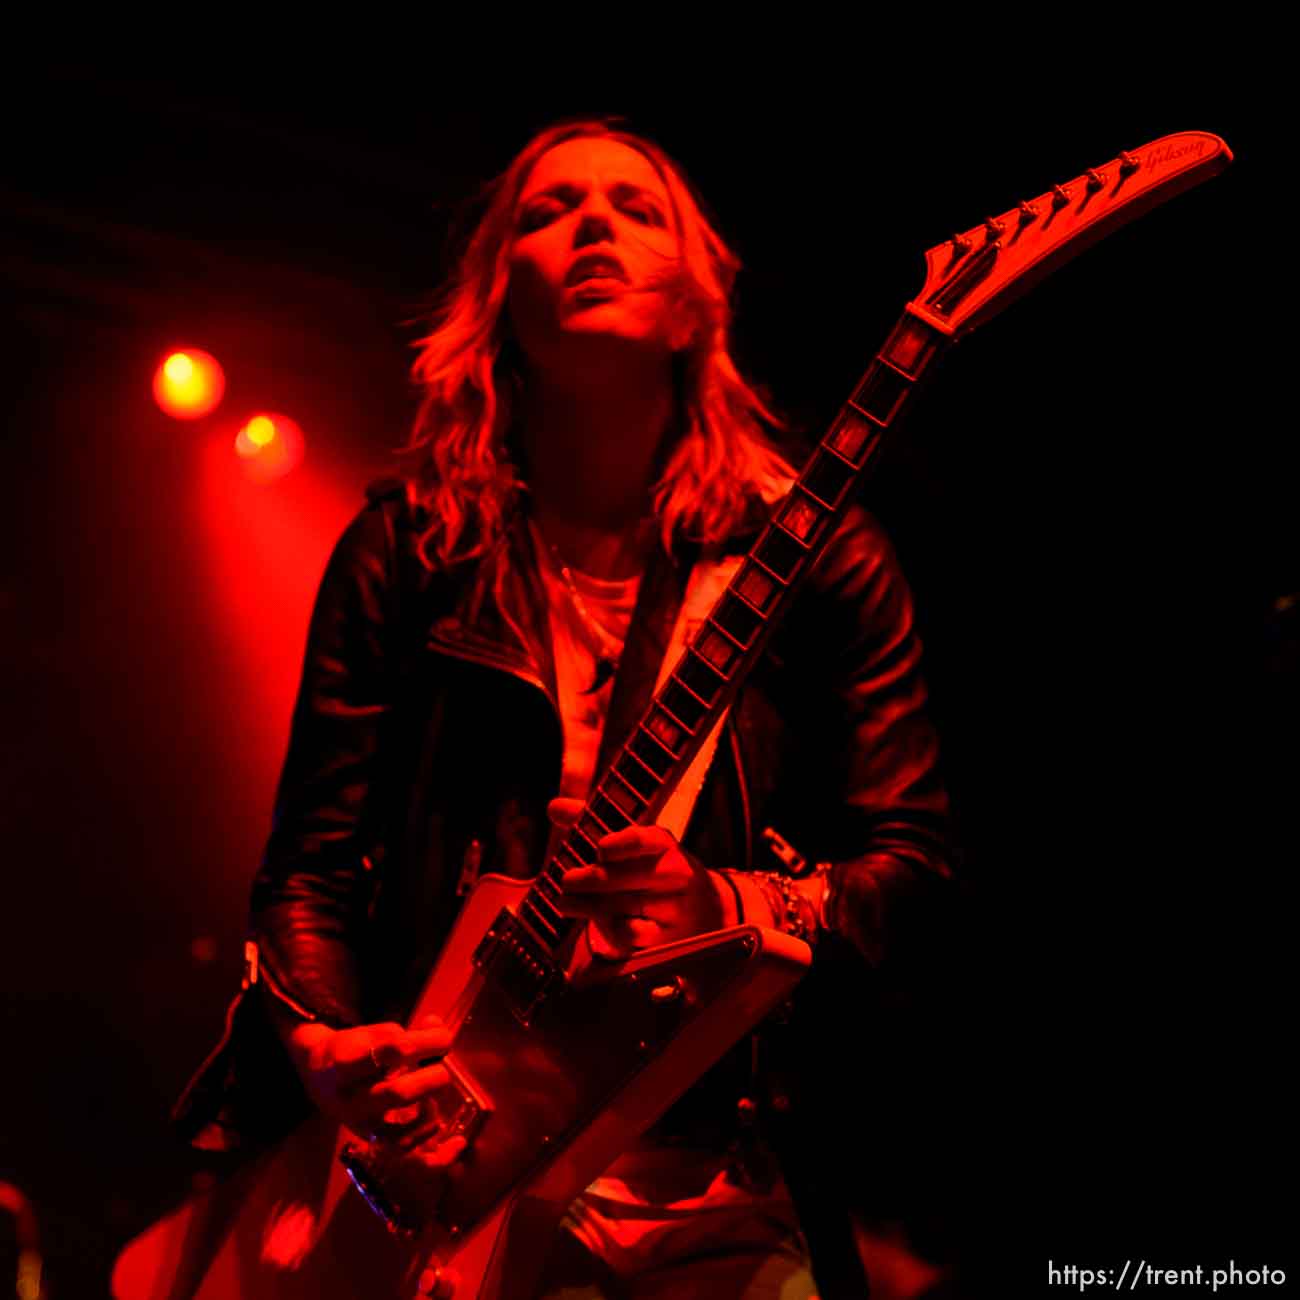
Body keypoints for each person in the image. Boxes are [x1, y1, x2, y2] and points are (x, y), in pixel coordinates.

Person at [172, 115, 955, 1299]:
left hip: (707, 1182)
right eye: (548, 209)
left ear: (698, 303)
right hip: (427, 1163)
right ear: (496, 295)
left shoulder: (821, 556)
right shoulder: (406, 549)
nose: (591, 221)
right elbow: (309, 871)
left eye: (636, 208)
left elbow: (916, 875)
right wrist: (330, 1044)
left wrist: (725, 899)